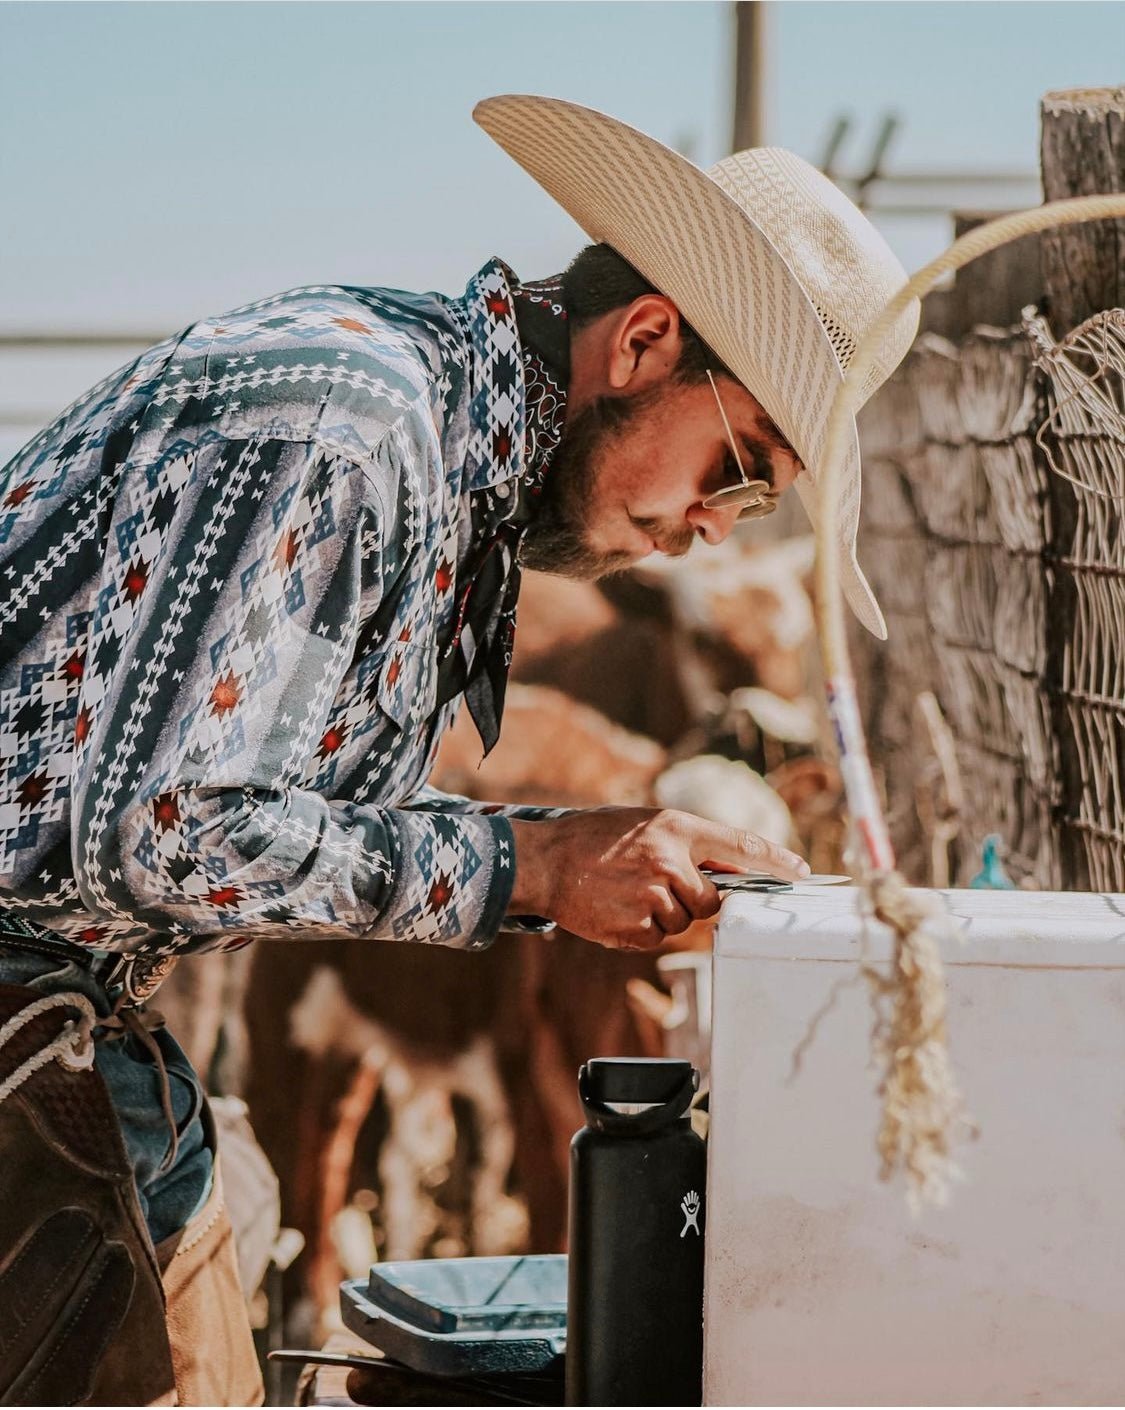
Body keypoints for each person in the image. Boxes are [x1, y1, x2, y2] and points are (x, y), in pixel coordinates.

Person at [0, 94, 918, 1404]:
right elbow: (163, 826)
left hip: (62, 1006)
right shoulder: (361, 426)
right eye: (739, 465)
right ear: (645, 341)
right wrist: (536, 865)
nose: (720, 525)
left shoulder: (428, 452)